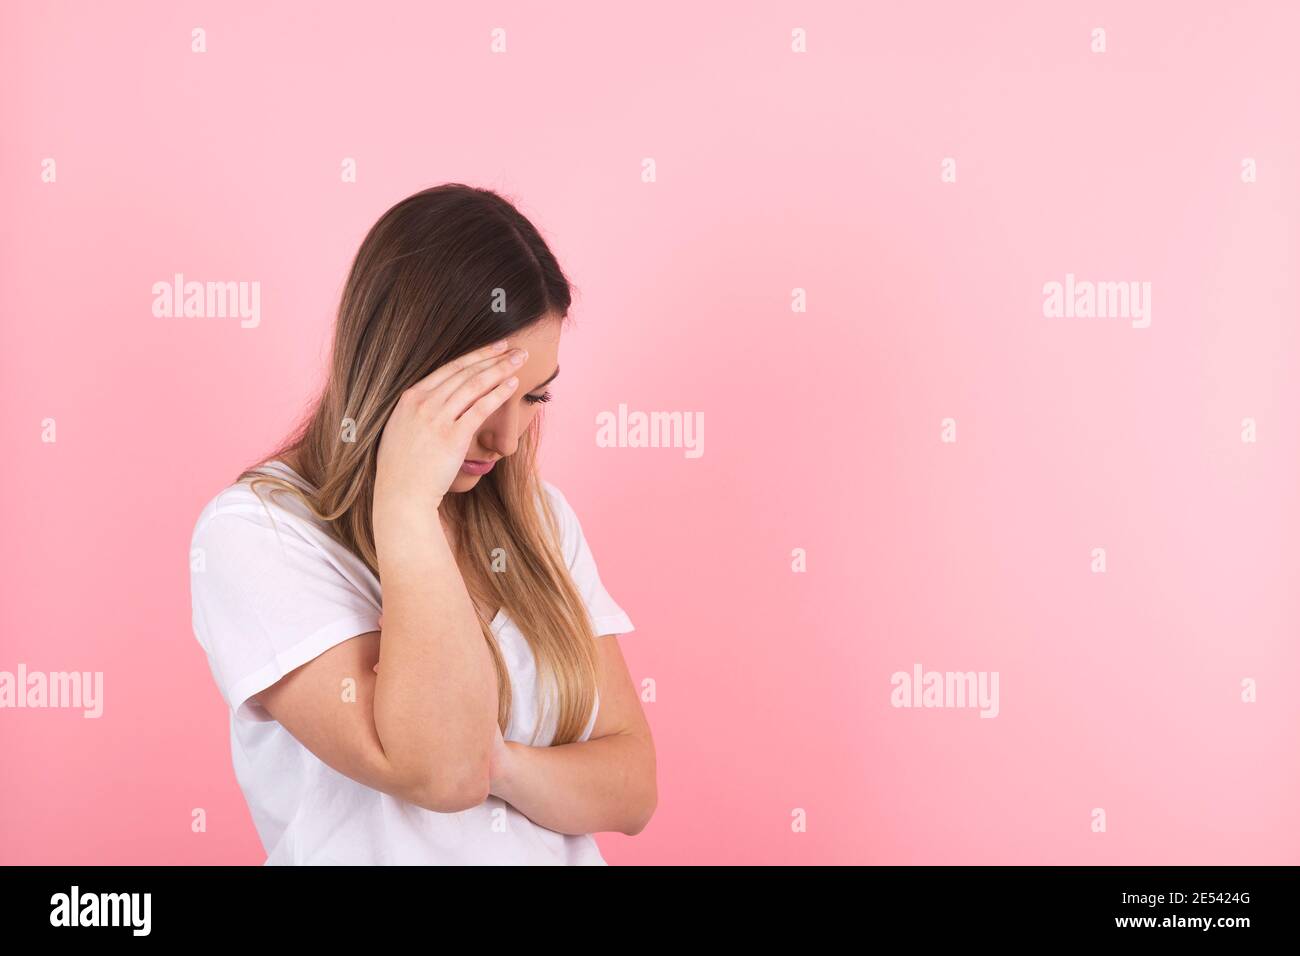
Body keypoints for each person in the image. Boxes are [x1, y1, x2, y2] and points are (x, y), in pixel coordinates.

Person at [188, 183, 656, 864]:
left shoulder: (540, 519)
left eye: (534, 396)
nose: (506, 436)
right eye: (481, 394)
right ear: (398, 361)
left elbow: (633, 786)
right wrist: (406, 506)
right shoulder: (257, 533)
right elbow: (441, 771)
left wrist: (500, 764)